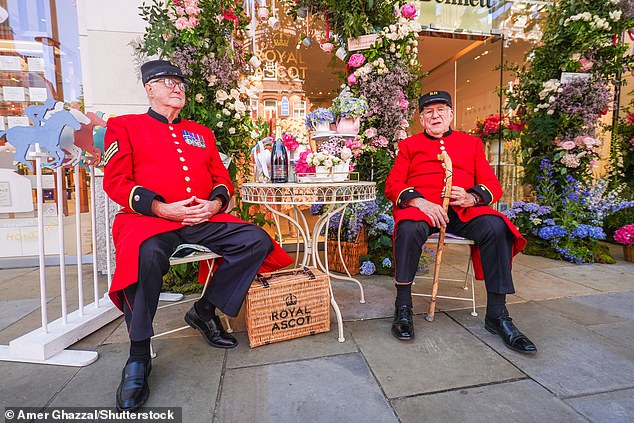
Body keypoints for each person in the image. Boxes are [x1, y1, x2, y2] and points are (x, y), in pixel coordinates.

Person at [103, 60, 293, 411]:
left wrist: (215, 203)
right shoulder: (124, 126)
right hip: (152, 220)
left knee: (256, 240)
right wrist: (161, 208)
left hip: (202, 218)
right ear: (149, 89)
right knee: (143, 254)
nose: (177, 87)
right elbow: (116, 182)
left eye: (180, 82)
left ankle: (205, 310)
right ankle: (138, 355)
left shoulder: (200, 132)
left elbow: (221, 177)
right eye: (167, 82)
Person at [384, 90, 536, 354]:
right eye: (429, 111)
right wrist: (419, 202)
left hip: (462, 211)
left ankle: (497, 315)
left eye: (441, 110)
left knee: (497, 226)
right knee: (408, 229)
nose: (435, 115)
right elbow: (393, 184)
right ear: (421, 118)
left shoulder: (471, 144)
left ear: (451, 114)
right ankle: (403, 307)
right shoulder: (408, 146)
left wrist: (472, 197)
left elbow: (492, 185)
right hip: (424, 210)